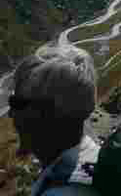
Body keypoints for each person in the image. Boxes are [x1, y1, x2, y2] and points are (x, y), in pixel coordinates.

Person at [7, 42, 100, 196]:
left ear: (46, 113)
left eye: (16, 103)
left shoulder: (62, 191)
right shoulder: (93, 156)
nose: (11, 113)